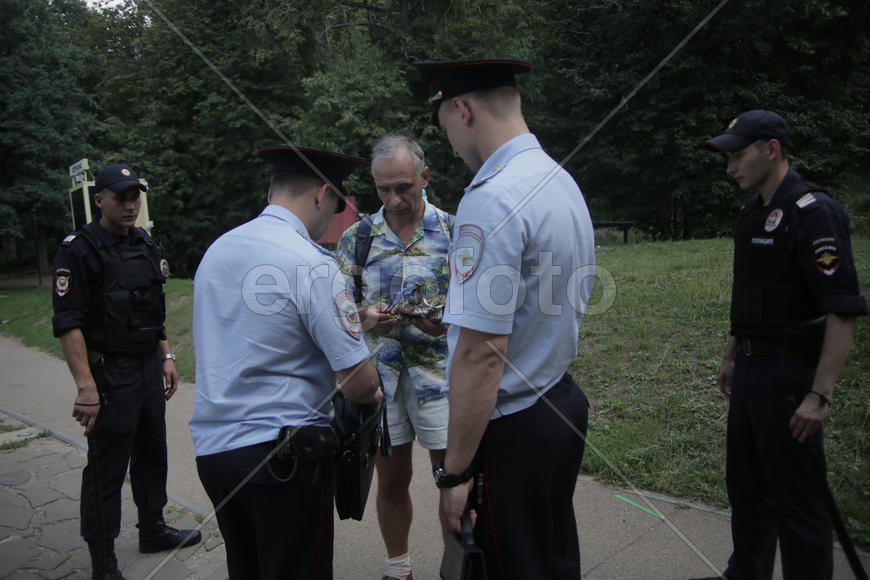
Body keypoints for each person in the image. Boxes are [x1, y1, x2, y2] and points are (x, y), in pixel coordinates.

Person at [412, 59, 596, 579]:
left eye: (444, 124)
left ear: (462, 110)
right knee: (552, 559)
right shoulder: (557, 179)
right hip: (557, 400)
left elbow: (482, 355)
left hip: (512, 424)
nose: (447, 141)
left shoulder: (492, 198)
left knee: (510, 566)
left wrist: (455, 474)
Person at [189, 146, 382, 579]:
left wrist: (356, 321)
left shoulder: (218, 251)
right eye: (335, 208)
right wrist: (373, 387)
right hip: (283, 459)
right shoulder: (312, 263)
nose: (330, 221)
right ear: (322, 194)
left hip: (217, 454)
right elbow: (358, 384)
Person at [697, 110, 868, 580]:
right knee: (747, 492)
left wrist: (820, 394)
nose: (730, 167)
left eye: (737, 155)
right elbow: (750, 297)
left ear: (771, 149)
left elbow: (842, 309)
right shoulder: (752, 215)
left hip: (791, 377)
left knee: (799, 504)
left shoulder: (814, 213)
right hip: (751, 373)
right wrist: (732, 357)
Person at [51, 163, 201, 580]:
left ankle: (152, 528)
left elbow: (151, 309)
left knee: (153, 452)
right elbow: (68, 322)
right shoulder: (77, 249)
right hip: (109, 372)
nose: (130, 203)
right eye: (120, 196)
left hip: (147, 365)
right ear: (100, 199)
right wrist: (86, 388)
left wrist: (167, 356)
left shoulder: (144, 243)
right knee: (107, 468)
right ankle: (103, 560)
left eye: (135, 195)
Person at [334, 135, 452, 580]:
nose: (395, 199)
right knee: (391, 480)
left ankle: (454, 568)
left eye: (404, 186)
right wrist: (365, 317)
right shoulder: (358, 236)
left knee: (452, 479)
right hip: (381, 381)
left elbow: (481, 306)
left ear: (425, 177)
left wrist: (446, 321)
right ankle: (398, 568)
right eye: (384, 189)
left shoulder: (455, 230)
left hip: (440, 378)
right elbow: (339, 307)